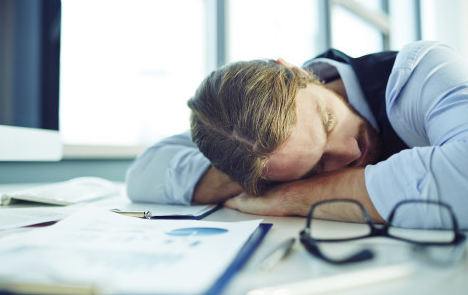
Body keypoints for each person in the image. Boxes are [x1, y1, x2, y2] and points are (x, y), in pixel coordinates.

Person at [126, 40, 468, 229]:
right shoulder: (244, 136)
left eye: (328, 121)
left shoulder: (422, 71)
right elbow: (144, 174)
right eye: (316, 166)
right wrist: (263, 175)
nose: (350, 151)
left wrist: (291, 196)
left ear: (295, 71)